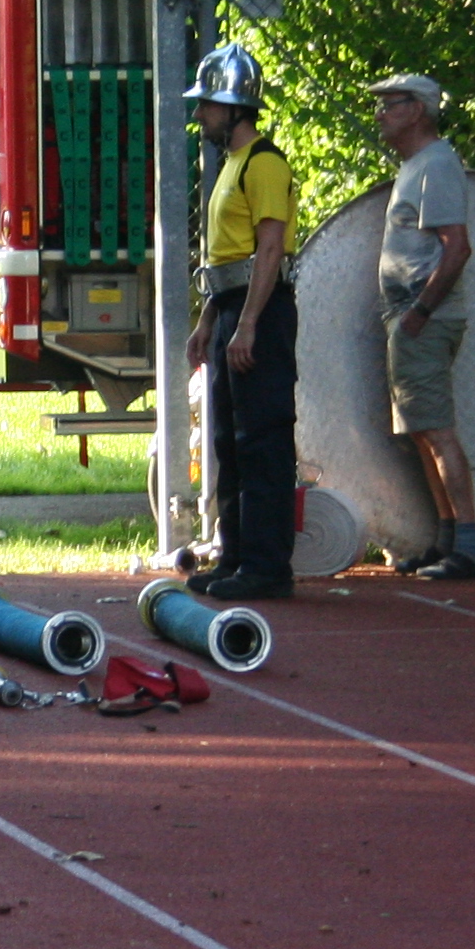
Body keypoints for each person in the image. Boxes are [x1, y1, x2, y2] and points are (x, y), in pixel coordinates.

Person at [180, 42, 297, 600]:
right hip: (233, 307)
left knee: (262, 439)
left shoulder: (264, 163)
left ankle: (268, 566)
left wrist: (249, 323)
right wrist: (211, 320)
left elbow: (269, 250)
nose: (200, 113)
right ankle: (236, 556)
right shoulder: (230, 164)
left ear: (233, 108)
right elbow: (229, 259)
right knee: (229, 439)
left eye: (207, 104)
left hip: (261, 311)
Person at [372, 71, 475, 581]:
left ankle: (468, 548)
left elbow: (456, 247)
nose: (380, 114)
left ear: (417, 110)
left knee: (436, 432)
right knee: (422, 432)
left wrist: (419, 313)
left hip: (421, 319)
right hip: (409, 318)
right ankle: (446, 543)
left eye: (389, 104)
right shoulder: (417, 165)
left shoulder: (436, 164)